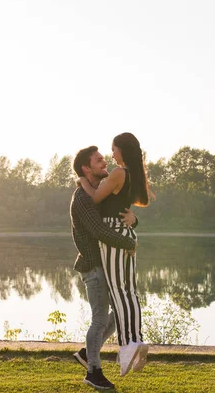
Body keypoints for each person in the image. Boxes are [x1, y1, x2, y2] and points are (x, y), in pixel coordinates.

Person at [79, 132, 152, 376]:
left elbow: (95, 199)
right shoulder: (133, 173)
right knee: (129, 291)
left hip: (114, 233)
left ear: (122, 149)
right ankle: (136, 340)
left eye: (113, 149)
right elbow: (138, 202)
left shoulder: (119, 173)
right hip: (125, 232)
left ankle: (128, 345)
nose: (111, 155)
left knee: (120, 292)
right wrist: (134, 219)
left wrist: (82, 181)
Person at [70, 145, 140, 390]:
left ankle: (89, 353)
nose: (104, 162)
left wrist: (135, 220)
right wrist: (128, 242)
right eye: (98, 160)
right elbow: (99, 231)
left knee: (122, 311)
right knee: (100, 320)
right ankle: (93, 372)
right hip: (94, 267)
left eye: (103, 158)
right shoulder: (81, 199)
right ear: (85, 168)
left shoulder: (99, 192)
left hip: (109, 264)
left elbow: (120, 214)